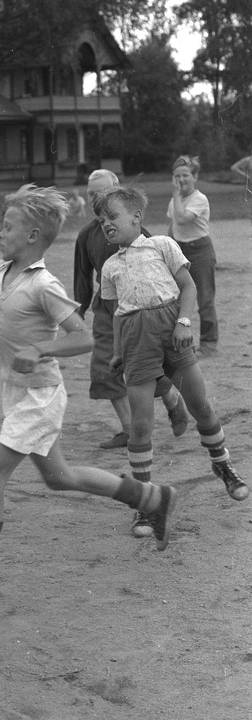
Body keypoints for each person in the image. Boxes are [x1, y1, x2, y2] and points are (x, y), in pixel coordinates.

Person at [0, 186, 178, 606]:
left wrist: (40, 348)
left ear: (33, 236)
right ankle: (152, 498)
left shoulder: (44, 285)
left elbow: (83, 337)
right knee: (59, 477)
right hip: (15, 391)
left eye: (8, 227)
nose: (0, 233)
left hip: (41, 397)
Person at [96, 185, 248, 502]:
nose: (106, 223)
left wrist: (183, 323)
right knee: (140, 425)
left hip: (172, 332)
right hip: (137, 342)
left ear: (137, 217)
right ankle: (146, 499)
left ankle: (222, 465)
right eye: (101, 220)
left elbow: (188, 287)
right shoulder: (109, 267)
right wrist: (118, 352)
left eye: (112, 216)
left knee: (200, 405)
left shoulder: (162, 245)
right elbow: (117, 314)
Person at [73, 170, 189, 532]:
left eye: (103, 193)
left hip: (145, 315)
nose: (97, 200)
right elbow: (83, 275)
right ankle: (130, 427)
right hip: (108, 310)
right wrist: (78, 308)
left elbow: (161, 274)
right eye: (92, 195)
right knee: (106, 370)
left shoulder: (144, 236)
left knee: (146, 370)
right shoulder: (87, 235)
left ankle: (169, 396)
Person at [166, 155, 218, 355]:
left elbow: (181, 219)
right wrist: (167, 247)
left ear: (195, 177)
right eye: (177, 175)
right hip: (180, 250)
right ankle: (179, 343)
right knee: (175, 298)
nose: (181, 179)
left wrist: (176, 194)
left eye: (185, 175)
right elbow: (173, 225)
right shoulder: (175, 200)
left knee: (205, 299)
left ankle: (208, 343)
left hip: (200, 250)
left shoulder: (199, 199)